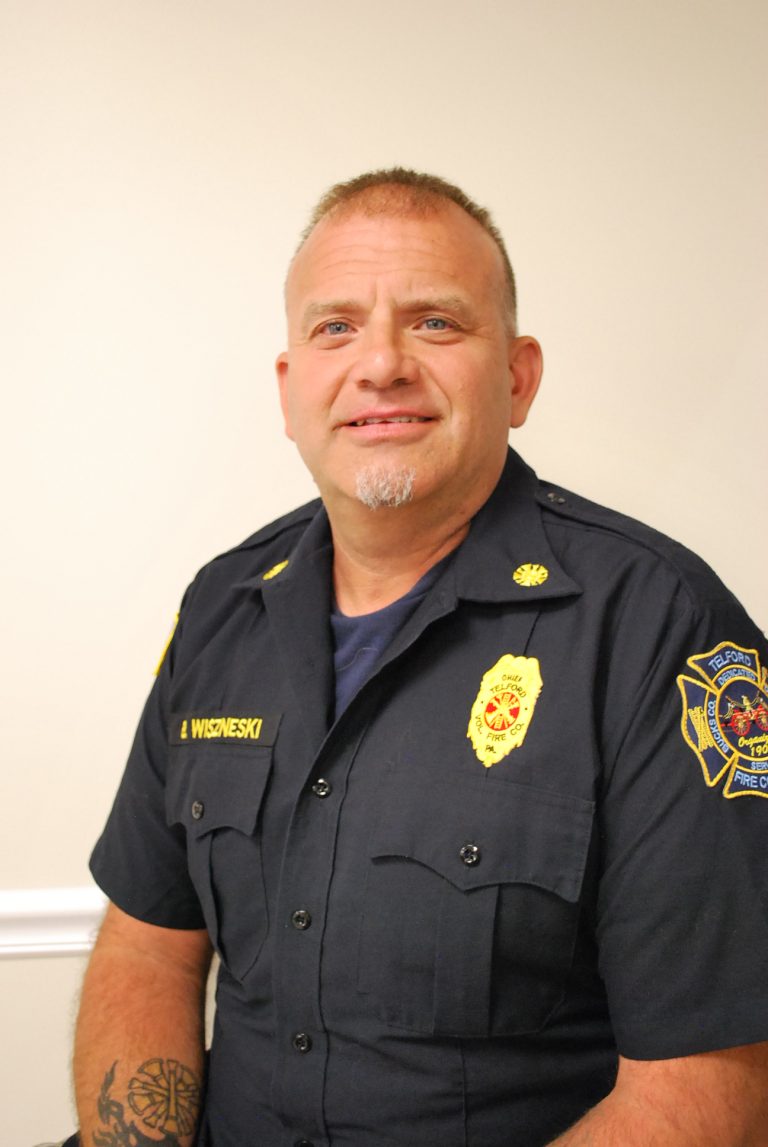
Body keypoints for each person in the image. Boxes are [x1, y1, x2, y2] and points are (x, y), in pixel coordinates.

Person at [72, 168, 768, 1147]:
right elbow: (146, 950)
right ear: (289, 388)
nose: (382, 364)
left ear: (518, 378)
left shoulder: (663, 627)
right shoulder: (221, 610)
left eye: (436, 323)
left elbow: (709, 1092)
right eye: (335, 328)